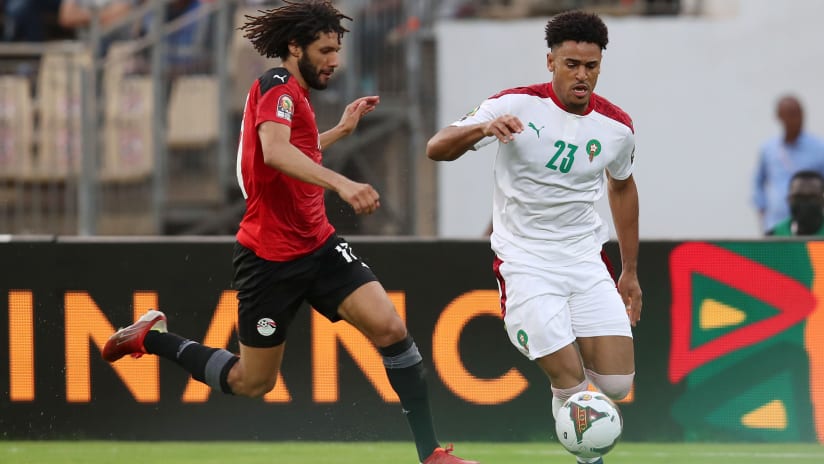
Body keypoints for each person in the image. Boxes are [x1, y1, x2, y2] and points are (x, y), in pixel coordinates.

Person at [101, 2, 477, 464]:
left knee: (391, 327)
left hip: (318, 244)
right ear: (294, 47)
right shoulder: (275, 85)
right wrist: (342, 182)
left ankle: (431, 454)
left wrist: (339, 130)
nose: (334, 60)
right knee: (251, 382)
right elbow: (276, 153)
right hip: (270, 260)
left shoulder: (296, 97)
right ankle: (151, 337)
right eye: (324, 50)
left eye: (337, 50)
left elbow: (294, 152)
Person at [426, 10, 640, 464]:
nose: (582, 76)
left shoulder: (617, 128)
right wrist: (483, 128)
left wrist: (630, 272)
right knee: (571, 382)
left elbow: (621, 186)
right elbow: (437, 147)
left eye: (591, 66)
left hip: (585, 260)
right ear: (550, 62)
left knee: (618, 386)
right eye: (571, 65)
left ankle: (580, 427)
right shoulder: (516, 105)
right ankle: (589, 457)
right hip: (525, 262)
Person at [752, 95, 824, 234]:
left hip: (812, 228)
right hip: (777, 224)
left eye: (799, 112)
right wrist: (762, 209)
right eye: (791, 113)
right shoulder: (769, 149)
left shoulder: (819, 148)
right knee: (775, 256)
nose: (796, 118)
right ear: (779, 116)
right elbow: (758, 182)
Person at [769, 170, 824, 236]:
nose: (805, 203)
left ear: (822, 200)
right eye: (798, 197)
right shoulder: (773, 237)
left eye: (812, 197)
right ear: (788, 199)